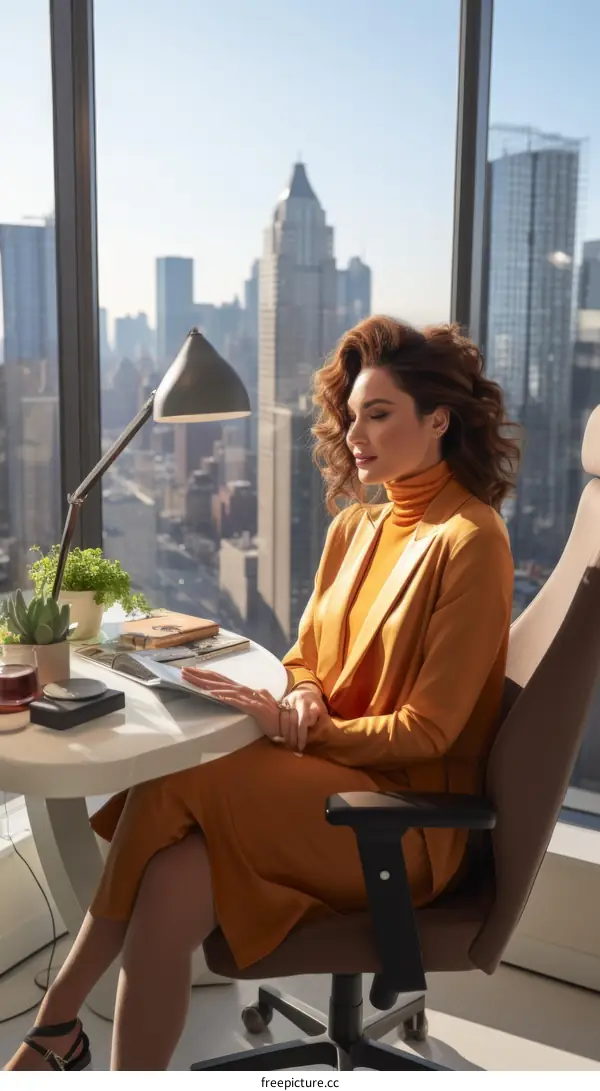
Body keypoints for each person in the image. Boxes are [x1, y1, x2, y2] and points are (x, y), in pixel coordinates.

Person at [5, 316, 517, 1071]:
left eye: (379, 414)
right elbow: (306, 655)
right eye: (352, 417)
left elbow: (429, 731)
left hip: (400, 821)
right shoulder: (356, 529)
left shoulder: (472, 541)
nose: (356, 435)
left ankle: (53, 1025)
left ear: (438, 419)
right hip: (321, 784)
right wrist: (304, 694)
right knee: (167, 893)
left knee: (181, 772)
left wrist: (295, 725)